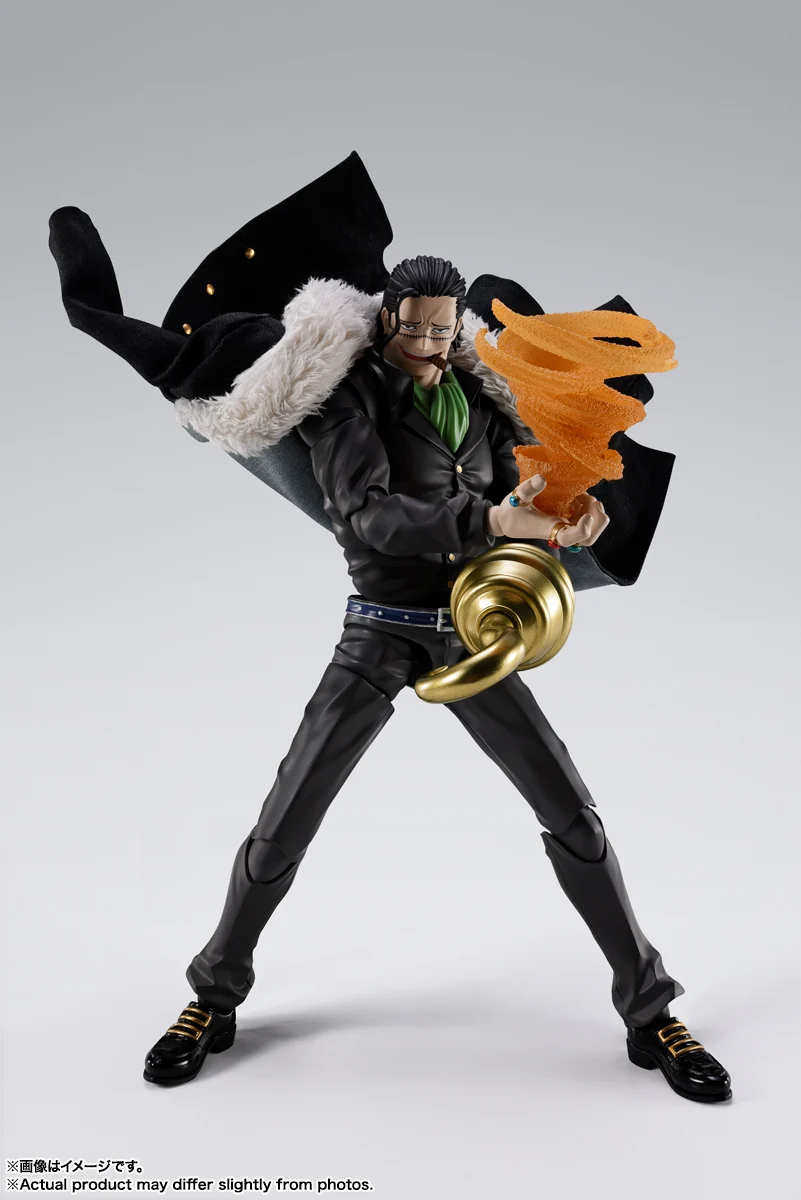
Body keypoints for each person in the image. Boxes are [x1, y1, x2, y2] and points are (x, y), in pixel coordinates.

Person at [48, 155, 731, 1103]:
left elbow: (517, 493)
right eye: (412, 328)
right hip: (379, 630)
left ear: (455, 329)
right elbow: (367, 517)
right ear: (386, 322)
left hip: (471, 631)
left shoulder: (480, 402)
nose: (427, 344)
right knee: (285, 823)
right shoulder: (347, 399)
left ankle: (650, 1010)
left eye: (442, 331)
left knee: (572, 816)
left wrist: (563, 516)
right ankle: (212, 995)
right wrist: (490, 520)